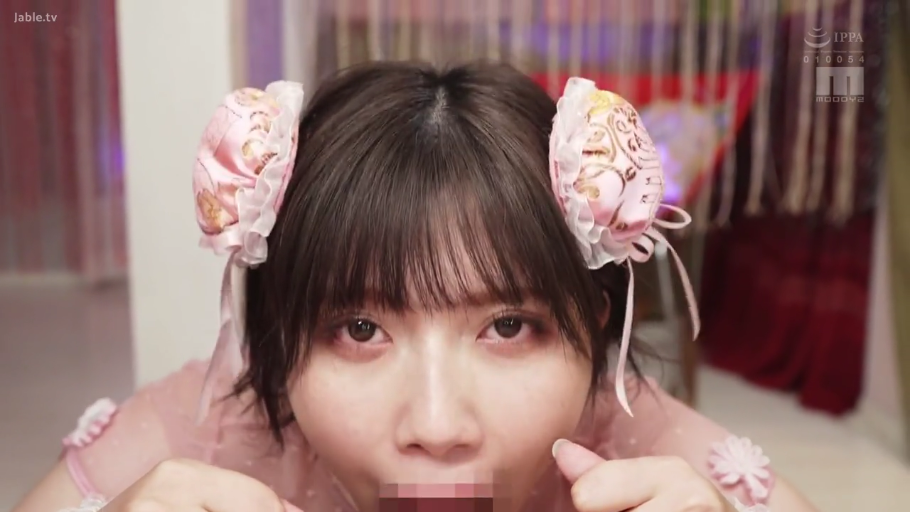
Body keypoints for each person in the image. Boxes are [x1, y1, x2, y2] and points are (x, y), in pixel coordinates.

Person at [14, 61, 819, 512]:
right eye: (360, 329)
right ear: (278, 342)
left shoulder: (645, 447)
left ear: (596, 331)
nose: (437, 428)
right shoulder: (212, 429)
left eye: (509, 326)